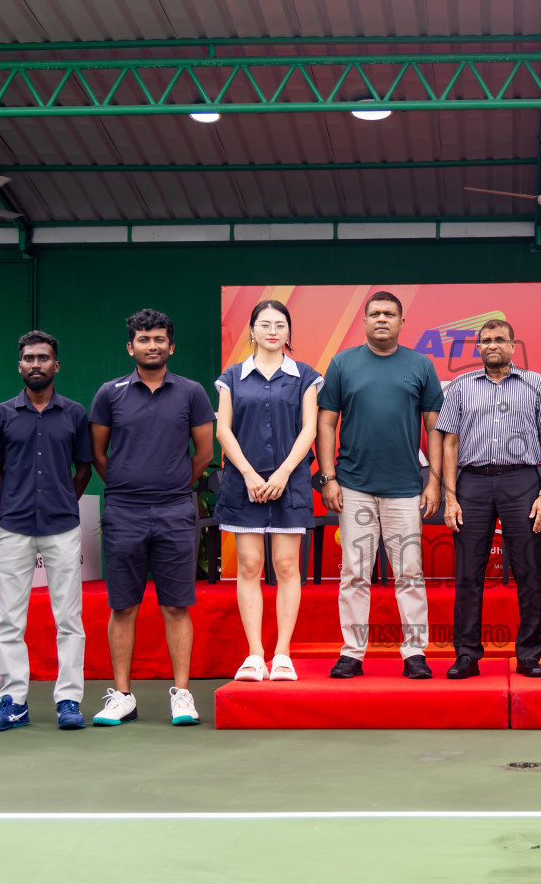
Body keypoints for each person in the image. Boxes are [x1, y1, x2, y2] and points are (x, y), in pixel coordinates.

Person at [89, 309, 215, 726]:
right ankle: (123, 696)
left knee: (177, 606)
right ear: (131, 347)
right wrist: (130, 486)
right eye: (143, 339)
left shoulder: (192, 392)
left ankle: (182, 695)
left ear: (171, 346)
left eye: (159, 339)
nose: (152, 345)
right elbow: (99, 456)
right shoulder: (110, 393)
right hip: (123, 510)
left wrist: (174, 486)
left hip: (175, 510)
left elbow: (204, 454)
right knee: (123, 606)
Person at [316, 291, 444, 679]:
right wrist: (328, 477)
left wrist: (433, 482)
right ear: (365, 321)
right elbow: (325, 423)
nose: (382, 319)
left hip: (405, 489)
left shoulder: (420, 365)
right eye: (375, 314)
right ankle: (352, 653)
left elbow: (435, 427)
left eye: (390, 314)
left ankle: (414, 653)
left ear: (402, 323)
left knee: (410, 573)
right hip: (353, 486)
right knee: (354, 572)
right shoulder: (343, 363)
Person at [0, 330, 93, 733]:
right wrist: (13, 499)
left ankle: (68, 699)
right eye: (29, 358)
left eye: (43, 358)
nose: (36, 364)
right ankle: (13, 700)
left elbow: (84, 468)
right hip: (14, 526)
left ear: (56, 365)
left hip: (62, 525)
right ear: (20, 366)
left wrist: (63, 500)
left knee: (69, 618)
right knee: (8, 618)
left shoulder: (76, 414)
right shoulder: (1, 414)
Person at [438, 319, 541, 679]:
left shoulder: (535, 384)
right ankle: (466, 655)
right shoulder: (460, 386)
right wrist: (451, 497)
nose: (493, 345)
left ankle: (529, 655)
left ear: (513, 345)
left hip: (523, 482)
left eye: (500, 340)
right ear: (478, 348)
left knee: (528, 571)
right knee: (468, 574)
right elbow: (450, 442)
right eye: (486, 341)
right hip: (472, 484)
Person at [215, 299, 321, 682]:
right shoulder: (232, 376)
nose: (273, 330)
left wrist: (282, 474)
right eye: (265, 324)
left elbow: (309, 429)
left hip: (289, 482)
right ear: (252, 331)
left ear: (289, 332)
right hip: (244, 484)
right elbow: (223, 430)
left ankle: (282, 655)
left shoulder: (305, 375)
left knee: (287, 566)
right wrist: (247, 473)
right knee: (248, 566)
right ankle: (255, 655)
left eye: (280, 324)